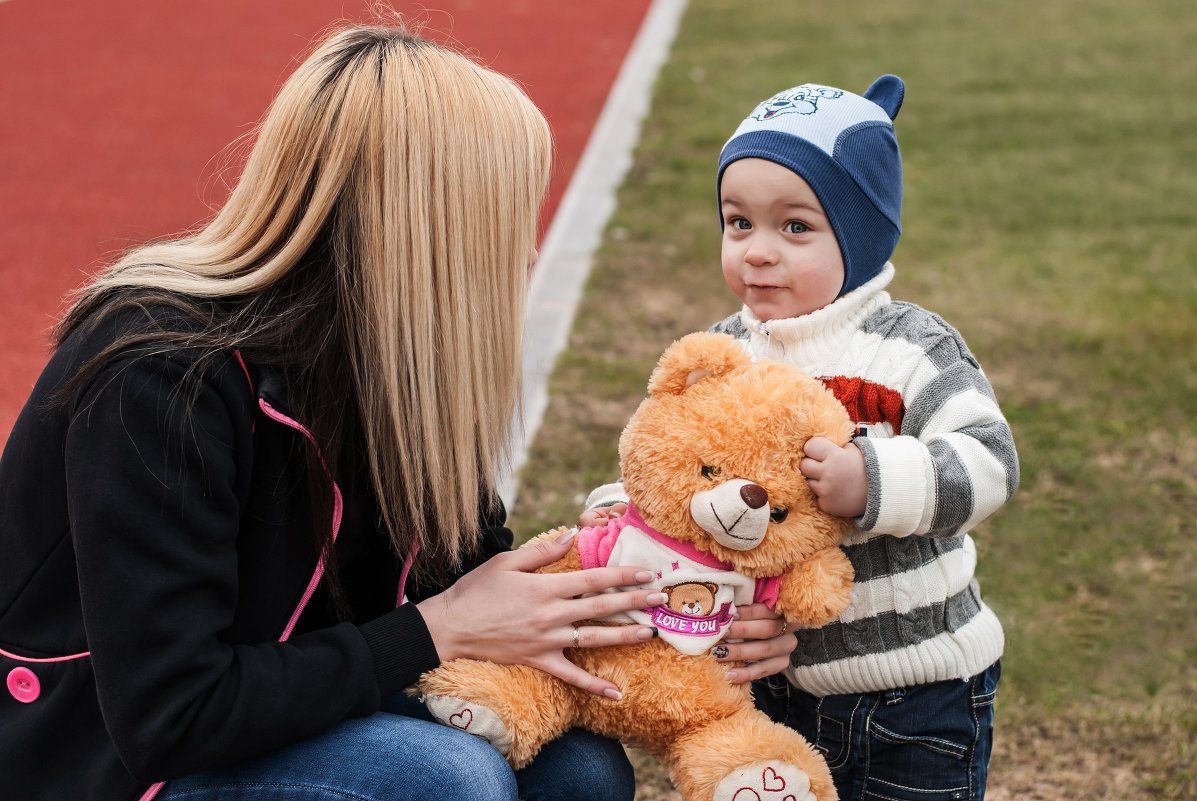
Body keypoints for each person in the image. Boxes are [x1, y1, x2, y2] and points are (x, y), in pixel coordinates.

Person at [0, 24, 669, 801]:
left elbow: (471, 581)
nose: (524, 253)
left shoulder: (395, 362)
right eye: (512, 212)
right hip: (104, 759)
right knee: (448, 779)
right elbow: (170, 715)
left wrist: (662, 585)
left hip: (279, 696)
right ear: (428, 228)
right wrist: (438, 627)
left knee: (579, 771)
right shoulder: (158, 372)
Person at [588, 75, 1019, 801]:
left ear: (860, 231)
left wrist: (872, 480)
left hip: (915, 689)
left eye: (794, 227)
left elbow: (987, 462)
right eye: (736, 223)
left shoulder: (908, 346)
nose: (756, 252)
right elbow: (663, 464)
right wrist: (617, 512)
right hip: (768, 686)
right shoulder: (721, 353)